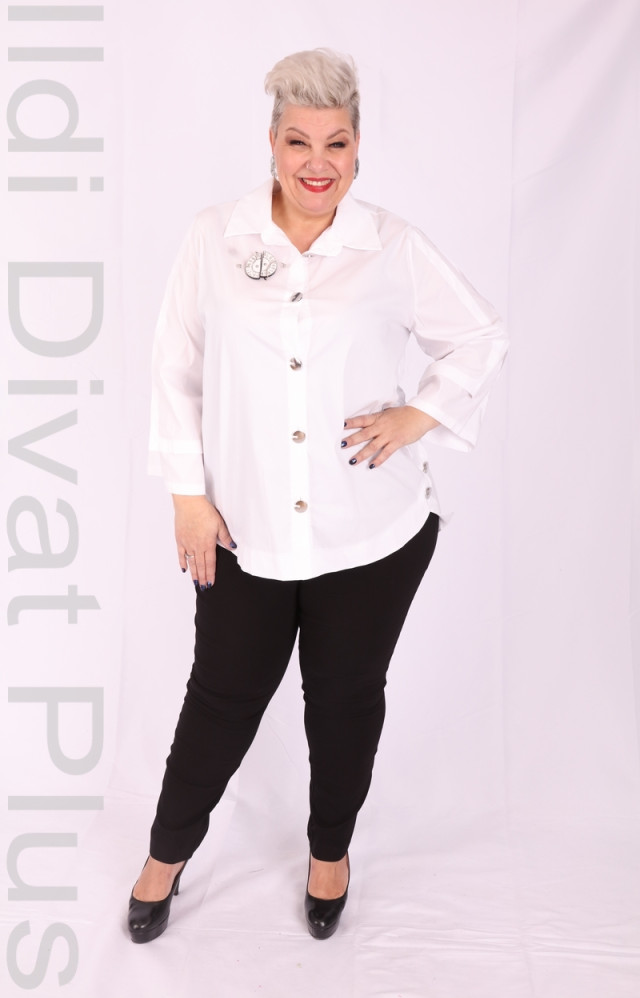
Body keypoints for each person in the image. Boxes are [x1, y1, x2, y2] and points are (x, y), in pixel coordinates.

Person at [128, 48, 508, 944]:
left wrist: (418, 415)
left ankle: (329, 853)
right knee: (220, 702)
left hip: (370, 532)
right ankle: (164, 857)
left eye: (336, 143)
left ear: (358, 147)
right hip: (242, 530)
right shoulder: (215, 238)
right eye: (298, 141)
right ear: (271, 143)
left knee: (344, 703)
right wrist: (187, 497)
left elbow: (480, 336)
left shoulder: (391, 245)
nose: (317, 162)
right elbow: (175, 366)